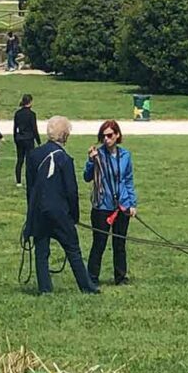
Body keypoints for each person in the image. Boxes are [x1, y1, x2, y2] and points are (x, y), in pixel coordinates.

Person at [24, 116, 99, 295]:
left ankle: (45, 289)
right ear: (64, 135)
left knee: (41, 251)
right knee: (73, 249)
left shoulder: (33, 155)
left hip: (39, 211)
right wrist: (74, 216)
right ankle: (87, 287)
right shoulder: (65, 159)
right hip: (59, 212)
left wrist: (31, 214)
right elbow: (71, 191)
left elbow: (30, 188)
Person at [83, 120, 137, 287]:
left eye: (109, 135)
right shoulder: (98, 155)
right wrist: (91, 162)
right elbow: (87, 177)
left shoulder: (126, 155)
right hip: (102, 206)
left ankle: (120, 277)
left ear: (117, 135)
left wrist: (132, 203)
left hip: (122, 205)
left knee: (119, 243)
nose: (106, 139)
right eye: (103, 136)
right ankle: (91, 278)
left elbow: (128, 180)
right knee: (99, 243)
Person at [13, 94, 40, 187]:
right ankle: (30, 179)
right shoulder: (32, 114)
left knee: (20, 160)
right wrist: (38, 141)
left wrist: (15, 138)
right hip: (29, 139)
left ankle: (18, 181)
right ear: (30, 102)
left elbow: (15, 128)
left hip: (19, 138)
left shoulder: (17, 114)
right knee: (29, 160)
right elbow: (34, 128)